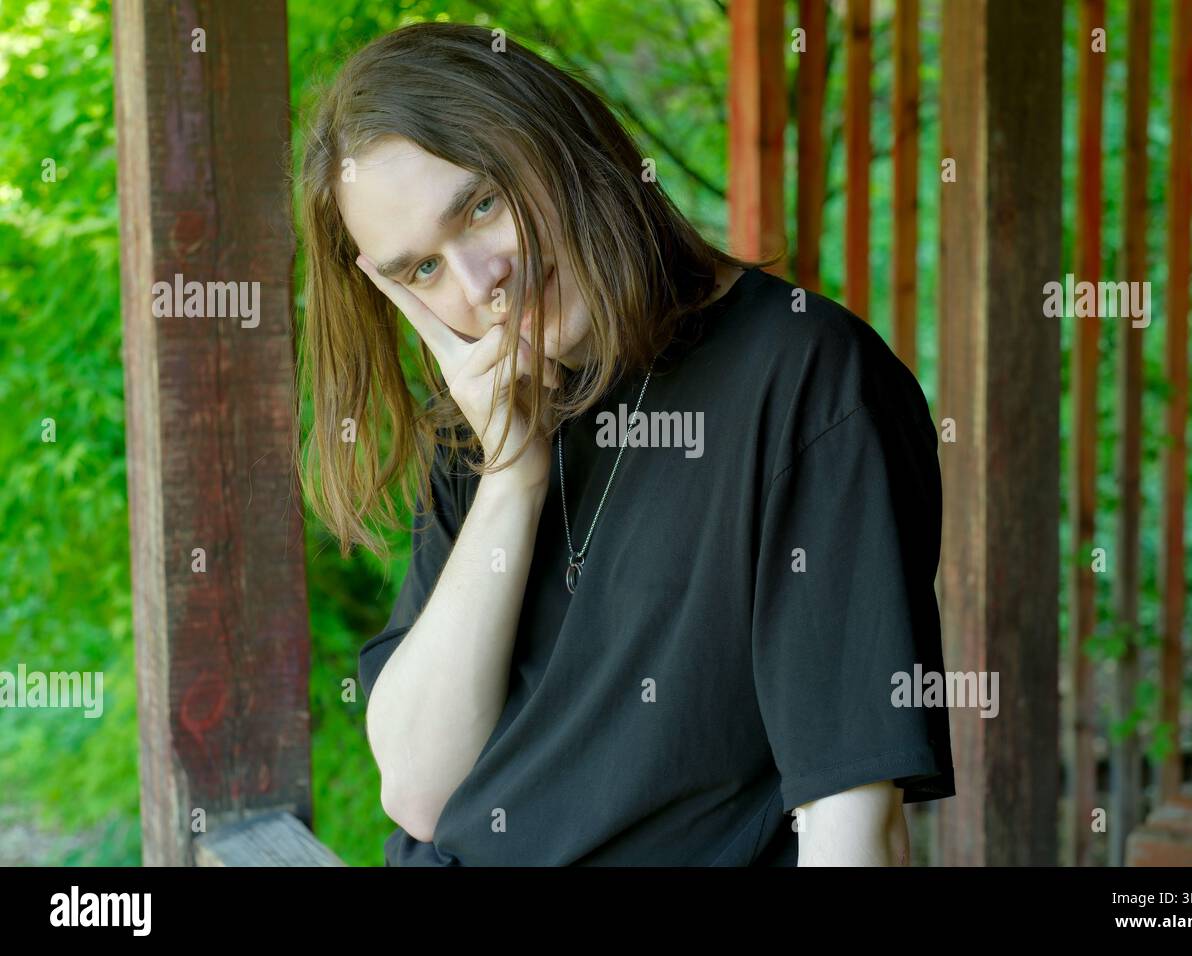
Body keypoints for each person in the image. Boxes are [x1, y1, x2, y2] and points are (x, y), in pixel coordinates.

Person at [296, 20, 955, 867]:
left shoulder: (805, 380)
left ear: (561, 143)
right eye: (422, 269)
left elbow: (853, 825)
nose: (477, 281)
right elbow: (420, 790)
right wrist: (511, 479)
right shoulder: (487, 416)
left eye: (483, 206)